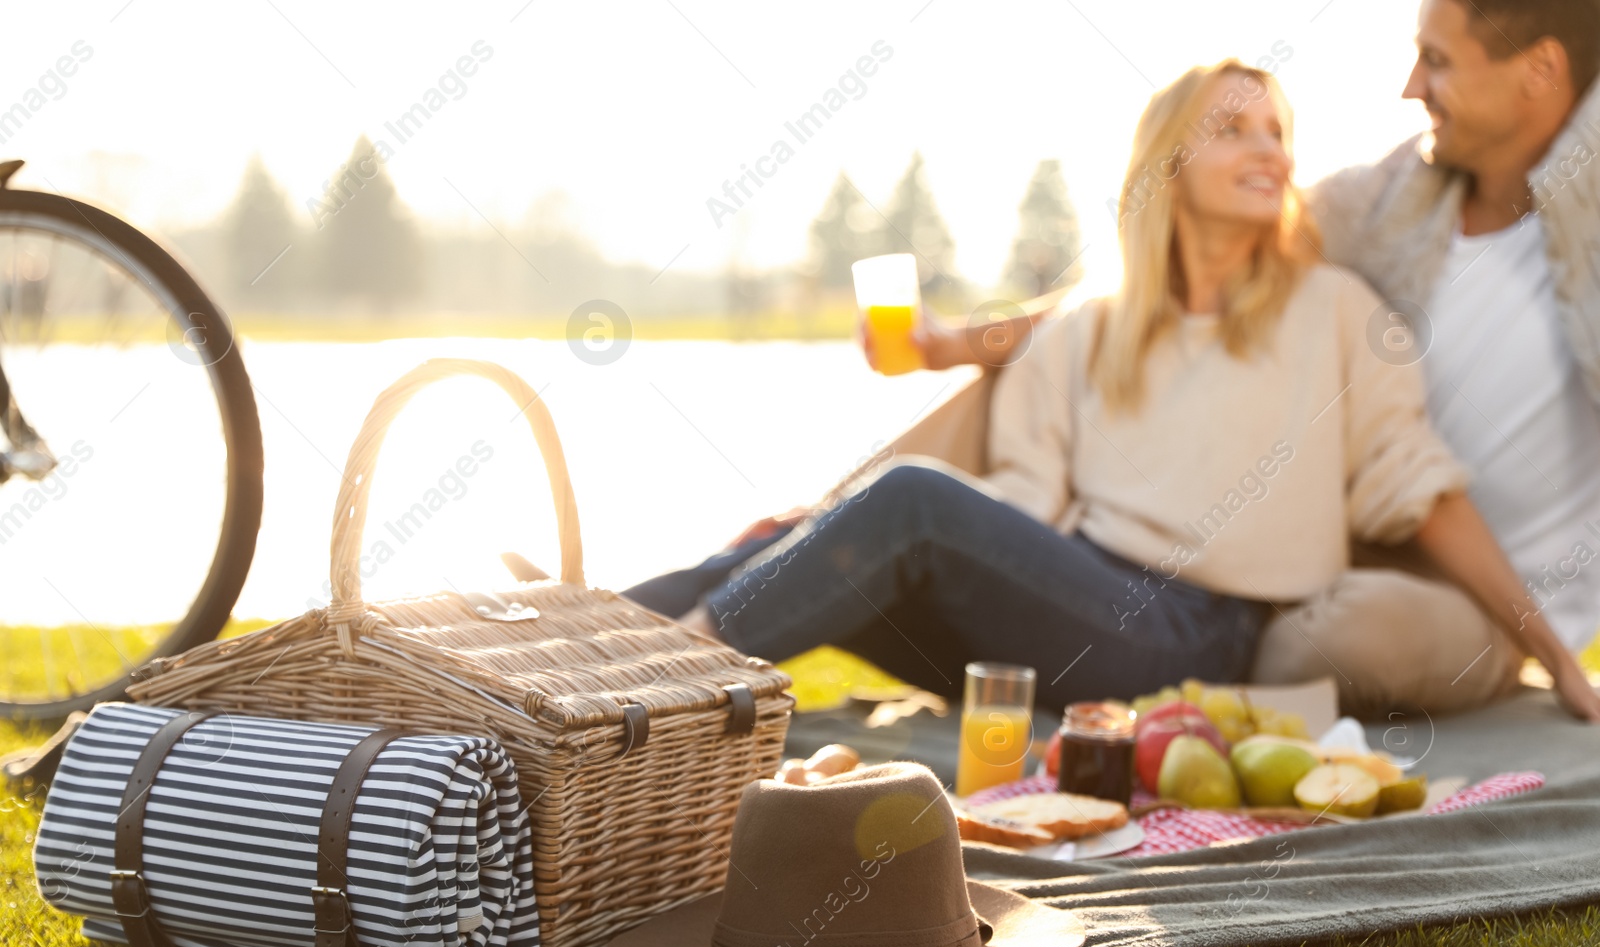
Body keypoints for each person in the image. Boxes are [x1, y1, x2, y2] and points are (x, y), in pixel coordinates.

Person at [626, 59, 1600, 723]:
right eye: (1233, 130)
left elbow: (1419, 489)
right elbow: (1021, 504)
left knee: (906, 495)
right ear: (1169, 163)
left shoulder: (1337, 312)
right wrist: (826, 536)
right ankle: (546, 655)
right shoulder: (1088, 330)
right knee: (767, 548)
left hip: (1193, 632)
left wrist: (1555, 657)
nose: (1269, 149)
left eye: (1276, 131)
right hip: (1064, 606)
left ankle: (660, 693)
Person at [876, 0, 1600, 718]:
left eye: (1436, 60)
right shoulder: (1380, 203)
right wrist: (951, 345)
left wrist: (1562, 664)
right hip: (1334, 565)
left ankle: (1203, 692)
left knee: (1334, 636)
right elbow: (1152, 283)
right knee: (930, 477)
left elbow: (1412, 477)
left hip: (1489, 602)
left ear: (1541, 69)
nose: (1410, 87)